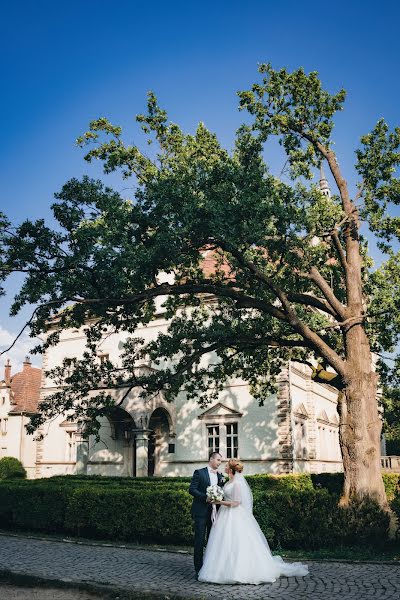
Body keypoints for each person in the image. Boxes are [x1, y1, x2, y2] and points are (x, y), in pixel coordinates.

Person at [198, 458, 309, 585]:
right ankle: (220, 571)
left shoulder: (237, 484)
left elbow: (237, 502)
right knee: (223, 542)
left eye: (226, 465)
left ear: (231, 469)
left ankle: (239, 572)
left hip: (234, 515)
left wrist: (219, 502)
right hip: (224, 514)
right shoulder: (228, 482)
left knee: (237, 542)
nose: (224, 467)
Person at [189, 451, 225, 580]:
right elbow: (192, 489)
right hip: (200, 512)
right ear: (211, 459)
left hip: (215, 512)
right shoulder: (199, 472)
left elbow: (221, 492)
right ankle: (198, 569)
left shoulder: (221, 476)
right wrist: (206, 497)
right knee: (199, 540)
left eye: (221, 461)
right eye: (219, 460)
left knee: (212, 541)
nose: (220, 463)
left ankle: (210, 568)